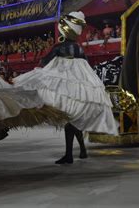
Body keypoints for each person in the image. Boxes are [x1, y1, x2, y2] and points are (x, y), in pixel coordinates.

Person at [14, 11, 118, 164]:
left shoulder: (59, 47)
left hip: (65, 88)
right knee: (73, 121)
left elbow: (44, 62)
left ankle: (71, 154)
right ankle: (81, 150)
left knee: (70, 121)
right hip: (80, 88)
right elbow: (86, 67)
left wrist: (39, 74)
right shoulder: (80, 49)